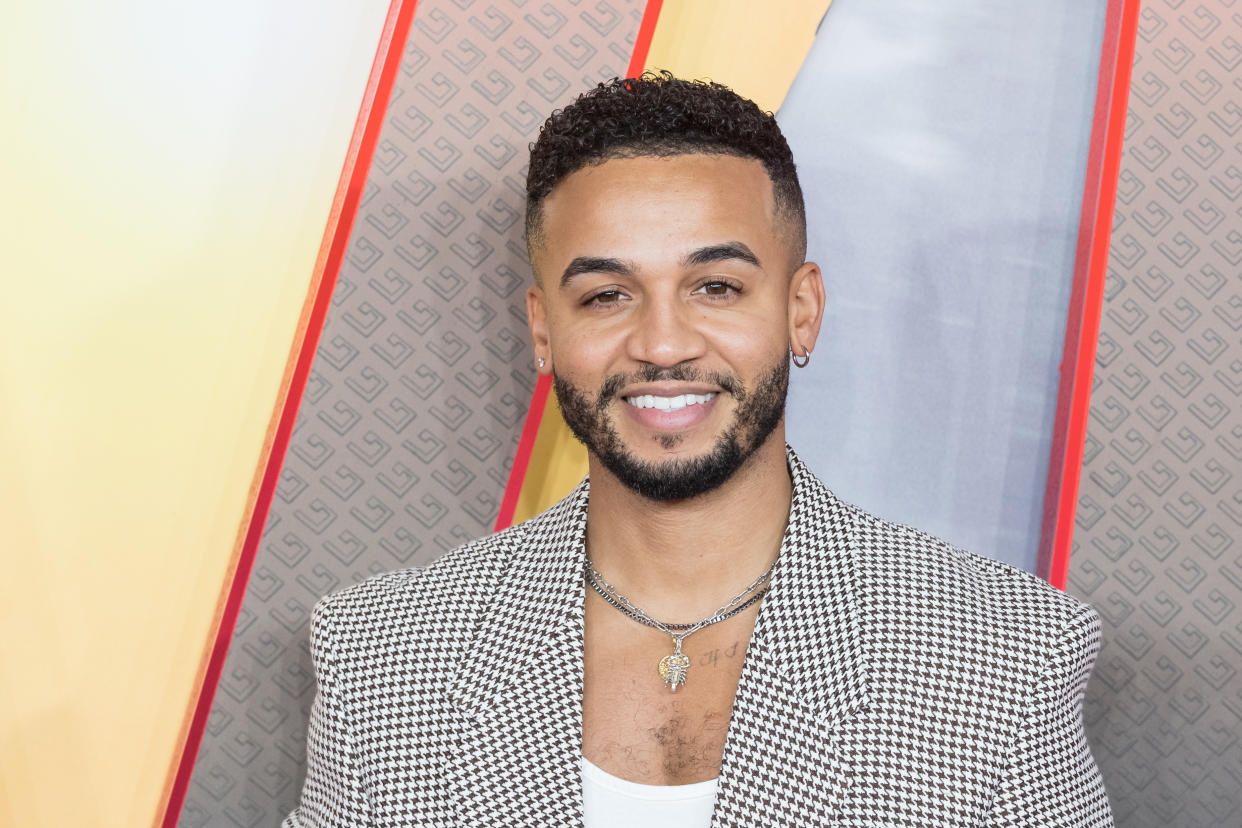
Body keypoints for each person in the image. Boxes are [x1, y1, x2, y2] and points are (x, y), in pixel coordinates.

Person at [284, 72, 1112, 827]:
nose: (664, 343)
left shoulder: (1006, 658)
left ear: (801, 310)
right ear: (543, 330)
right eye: (607, 295)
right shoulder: (382, 657)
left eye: (716, 287)